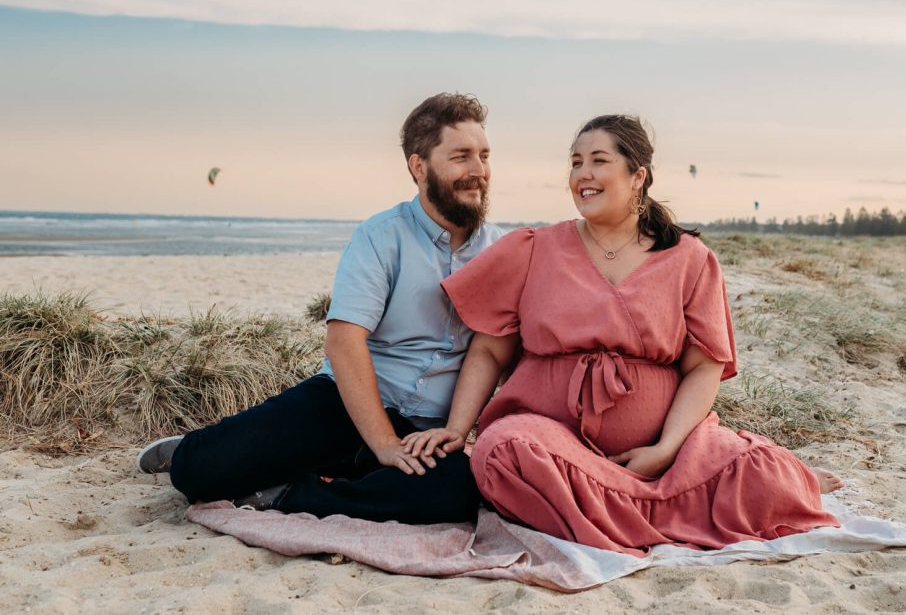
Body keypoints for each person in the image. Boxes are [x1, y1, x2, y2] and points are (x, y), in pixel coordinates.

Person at [403, 114, 843, 554]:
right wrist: (458, 430)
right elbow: (488, 353)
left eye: (598, 161)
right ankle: (672, 509)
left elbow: (703, 368)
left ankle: (631, 504)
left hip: (664, 455)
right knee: (501, 453)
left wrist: (667, 449)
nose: (583, 175)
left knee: (762, 469)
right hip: (554, 441)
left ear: (638, 176)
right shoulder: (534, 248)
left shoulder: (689, 259)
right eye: (575, 163)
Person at [136, 92, 504, 524]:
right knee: (198, 472)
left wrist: (453, 434)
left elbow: (490, 351)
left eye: (483, 155)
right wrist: (384, 444)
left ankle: (287, 495)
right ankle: (193, 447)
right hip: (347, 404)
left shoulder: (502, 251)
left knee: (457, 491)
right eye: (461, 157)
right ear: (419, 167)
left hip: (427, 430)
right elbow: (344, 342)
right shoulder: (381, 236)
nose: (478, 171)